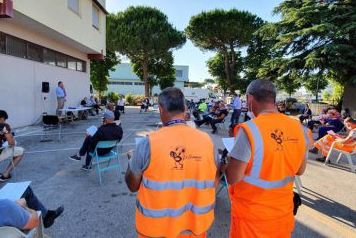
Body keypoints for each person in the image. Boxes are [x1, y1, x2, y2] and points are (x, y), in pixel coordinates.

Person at [224, 79, 312, 238]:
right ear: (273, 98)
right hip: (283, 215)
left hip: (251, 220)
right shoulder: (300, 129)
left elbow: (232, 177)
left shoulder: (249, 130)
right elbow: (300, 170)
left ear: (250, 99)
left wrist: (226, 162)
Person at [125, 87, 218, 238]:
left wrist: (132, 161)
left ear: (161, 109)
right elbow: (214, 182)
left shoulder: (148, 143)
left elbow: (132, 185)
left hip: (156, 230)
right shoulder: (208, 141)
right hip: (195, 227)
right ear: (185, 108)